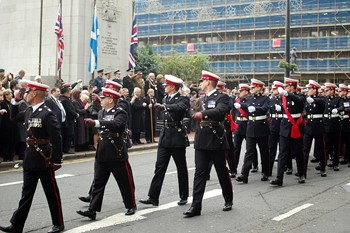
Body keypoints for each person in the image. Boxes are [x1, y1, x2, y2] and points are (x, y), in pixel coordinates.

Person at [0, 80, 64, 233]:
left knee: (51, 193)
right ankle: (16, 225)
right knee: (26, 194)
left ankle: (58, 223)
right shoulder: (29, 110)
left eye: (28, 92)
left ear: (34, 93)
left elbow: (56, 138)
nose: (26, 94)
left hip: (44, 159)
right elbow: (14, 117)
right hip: (30, 158)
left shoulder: (47, 113)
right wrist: (15, 101)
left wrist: (57, 160)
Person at [76, 88, 136, 219]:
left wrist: (97, 123)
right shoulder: (102, 112)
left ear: (111, 100)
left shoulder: (120, 112)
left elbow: (116, 124)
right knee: (98, 182)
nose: (101, 100)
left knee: (124, 181)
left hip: (116, 152)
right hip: (103, 151)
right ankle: (92, 209)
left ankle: (131, 205)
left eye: (103, 98)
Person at [184, 70, 233, 217]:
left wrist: (204, 114)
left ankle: (228, 199)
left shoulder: (222, 97)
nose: (200, 84)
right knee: (200, 173)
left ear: (208, 82)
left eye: (202, 81)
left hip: (215, 138)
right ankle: (196, 206)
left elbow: (220, 111)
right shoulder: (203, 99)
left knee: (221, 170)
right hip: (202, 138)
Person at [139, 75, 190, 207]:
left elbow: (179, 108)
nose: (164, 88)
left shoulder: (183, 98)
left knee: (181, 167)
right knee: (160, 167)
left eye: (166, 86)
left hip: (177, 136)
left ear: (172, 87)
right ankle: (153, 197)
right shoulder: (165, 98)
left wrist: (165, 107)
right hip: (165, 135)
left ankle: (183, 196)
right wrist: (163, 106)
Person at [270, 77, 306, 187]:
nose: (284, 88)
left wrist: (286, 94)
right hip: (285, 126)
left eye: (286, 86)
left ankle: (301, 174)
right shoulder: (284, 98)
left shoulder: (300, 96)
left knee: (298, 152)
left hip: (296, 127)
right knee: (282, 153)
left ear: (292, 87)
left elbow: (299, 102)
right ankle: (279, 178)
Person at [235, 79, 270, 184]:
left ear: (259, 88)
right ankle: (244, 174)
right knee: (249, 152)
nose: (252, 89)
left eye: (253, 87)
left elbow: (265, 109)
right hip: (250, 127)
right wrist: (241, 105)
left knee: (264, 151)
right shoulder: (249, 99)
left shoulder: (265, 99)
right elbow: (246, 106)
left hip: (261, 127)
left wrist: (255, 109)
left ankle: (265, 172)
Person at [303, 80, 327, 178]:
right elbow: (304, 110)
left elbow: (323, 103)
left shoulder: (320, 98)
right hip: (308, 126)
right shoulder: (306, 99)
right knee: (305, 149)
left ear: (315, 90)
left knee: (321, 148)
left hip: (318, 126)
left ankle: (323, 168)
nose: (307, 90)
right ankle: (302, 171)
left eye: (309, 88)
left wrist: (314, 100)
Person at [322, 82, 344, 171]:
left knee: (336, 145)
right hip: (326, 123)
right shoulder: (324, 99)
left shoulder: (338, 99)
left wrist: (337, 109)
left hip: (335, 124)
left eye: (327, 90)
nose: (326, 92)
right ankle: (324, 162)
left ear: (332, 90)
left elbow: (342, 107)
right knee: (326, 145)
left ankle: (336, 163)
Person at [268, 81, 284, 176]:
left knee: (284, 149)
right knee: (271, 148)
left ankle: (287, 166)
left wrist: (281, 108)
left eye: (275, 89)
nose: (273, 90)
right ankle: (269, 170)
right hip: (273, 125)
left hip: (282, 125)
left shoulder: (284, 99)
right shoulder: (271, 100)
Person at [60, 86, 79, 154]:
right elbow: (69, 110)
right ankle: (66, 148)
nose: (70, 93)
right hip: (68, 120)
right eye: (68, 92)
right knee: (69, 134)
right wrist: (76, 114)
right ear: (65, 93)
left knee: (69, 134)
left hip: (69, 120)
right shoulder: (64, 100)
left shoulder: (66, 99)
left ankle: (66, 148)